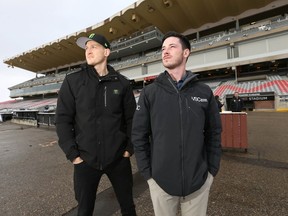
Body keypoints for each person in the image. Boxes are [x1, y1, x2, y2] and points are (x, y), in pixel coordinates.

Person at [131, 31, 222, 216]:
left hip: (198, 181)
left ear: (186, 52)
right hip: (160, 182)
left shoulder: (204, 92)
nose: (165, 51)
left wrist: (211, 171)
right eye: (163, 48)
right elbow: (138, 136)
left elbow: (214, 133)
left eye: (172, 47)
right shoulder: (150, 93)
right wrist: (148, 175)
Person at [55, 33, 137, 216]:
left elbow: (132, 119)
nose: (88, 51)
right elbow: (62, 119)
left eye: (94, 46)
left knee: (128, 208)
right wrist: (74, 155)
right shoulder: (73, 81)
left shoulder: (122, 83)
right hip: (86, 160)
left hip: (118, 159)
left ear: (106, 51)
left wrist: (128, 149)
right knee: (84, 211)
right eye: (86, 48)